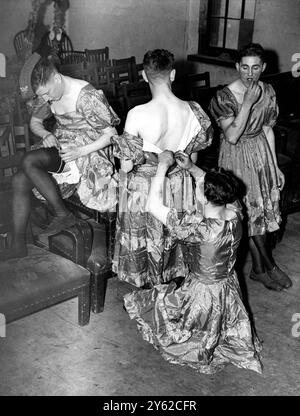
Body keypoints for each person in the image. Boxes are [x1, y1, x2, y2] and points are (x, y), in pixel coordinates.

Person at [124, 150, 262, 374]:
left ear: (205, 197)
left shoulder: (198, 229)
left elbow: (152, 206)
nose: (197, 185)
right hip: (227, 285)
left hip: (203, 292)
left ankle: (199, 345)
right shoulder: (235, 210)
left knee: (170, 316)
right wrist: (190, 167)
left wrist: (162, 166)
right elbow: (206, 182)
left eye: (199, 187)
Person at [0, 55, 119, 261]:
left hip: (89, 151)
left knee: (29, 160)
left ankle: (62, 214)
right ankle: (19, 244)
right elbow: (35, 122)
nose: (45, 100)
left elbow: (112, 135)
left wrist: (80, 151)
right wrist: (47, 134)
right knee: (19, 179)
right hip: (64, 146)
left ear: (56, 78)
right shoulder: (50, 93)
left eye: (46, 94)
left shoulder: (86, 96)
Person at [111, 49, 213, 288]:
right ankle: (171, 286)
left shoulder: (137, 114)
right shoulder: (193, 110)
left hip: (146, 187)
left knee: (146, 239)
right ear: (173, 74)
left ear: (144, 77)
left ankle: (149, 291)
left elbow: (127, 164)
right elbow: (193, 159)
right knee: (173, 236)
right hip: (180, 183)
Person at [209, 43, 292, 291]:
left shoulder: (268, 91)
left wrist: (275, 166)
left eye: (255, 67)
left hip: (260, 155)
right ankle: (269, 265)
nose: (249, 73)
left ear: (263, 68)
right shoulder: (224, 96)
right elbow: (232, 136)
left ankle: (258, 269)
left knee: (261, 215)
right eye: (244, 67)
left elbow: (267, 129)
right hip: (235, 157)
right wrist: (247, 102)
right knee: (248, 214)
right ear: (237, 67)